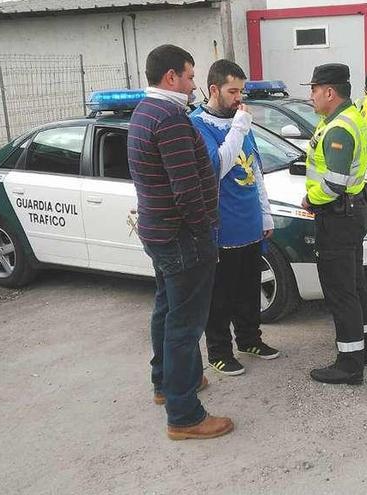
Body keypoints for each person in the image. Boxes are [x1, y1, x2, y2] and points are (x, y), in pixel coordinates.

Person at [127, 44, 233, 440]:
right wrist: (205, 229)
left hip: (159, 233)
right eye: (190, 77)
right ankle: (184, 415)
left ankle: (166, 384)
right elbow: (186, 189)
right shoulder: (169, 117)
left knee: (168, 310)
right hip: (182, 238)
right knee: (185, 326)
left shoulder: (145, 111)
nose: (194, 85)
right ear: (171, 77)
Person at [189, 59, 280, 376]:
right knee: (220, 295)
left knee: (247, 288)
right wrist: (240, 126)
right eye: (232, 91)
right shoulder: (198, 125)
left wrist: (265, 215)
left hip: (250, 223)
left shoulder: (240, 120)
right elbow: (217, 167)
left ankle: (249, 338)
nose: (239, 98)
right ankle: (218, 350)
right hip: (221, 228)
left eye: (241, 90)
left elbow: (254, 170)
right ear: (214, 89)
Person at [300, 63, 367, 385]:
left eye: (314, 89)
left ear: (329, 92)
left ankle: (349, 365)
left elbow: (334, 183)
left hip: (338, 217)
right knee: (355, 285)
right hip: (353, 211)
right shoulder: (346, 116)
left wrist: (310, 200)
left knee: (341, 292)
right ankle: (363, 351)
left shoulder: (338, 128)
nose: (311, 95)